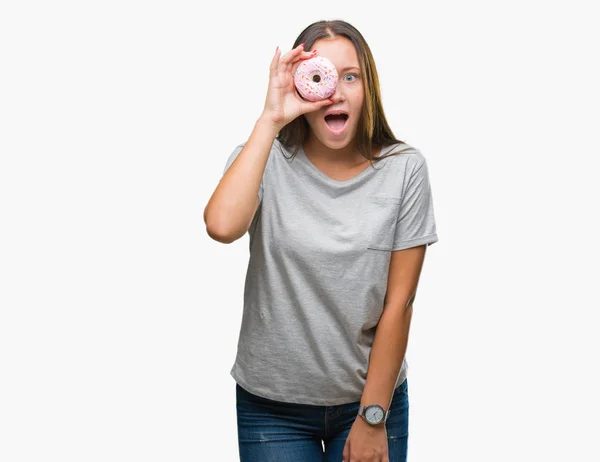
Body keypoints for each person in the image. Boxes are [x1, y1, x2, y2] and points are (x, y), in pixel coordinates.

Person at [204, 19, 439, 462]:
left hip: (369, 399)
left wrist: (373, 416)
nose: (336, 91)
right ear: (299, 84)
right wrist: (270, 118)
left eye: (350, 76)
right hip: (271, 407)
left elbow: (399, 304)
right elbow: (221, 226)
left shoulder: (404, 170)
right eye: (320, 76)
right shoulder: (261, 158)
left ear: (368, 87)